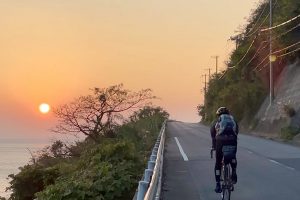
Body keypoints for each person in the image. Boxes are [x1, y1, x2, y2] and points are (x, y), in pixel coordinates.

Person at [210, 106, 239, 193]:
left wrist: (214, 147)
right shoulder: (233, 120)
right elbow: (236, 132)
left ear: (218, 114)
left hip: (220, 141)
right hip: (232, 140)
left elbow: (213, 135)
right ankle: (233, 172)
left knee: (218, 163)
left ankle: (218, 184)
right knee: (233, 156)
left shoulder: (217, 121)